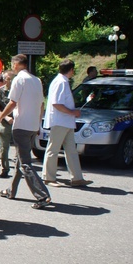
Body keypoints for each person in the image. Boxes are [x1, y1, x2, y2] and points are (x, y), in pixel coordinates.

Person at [0, 54, 52, 209]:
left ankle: (42, 195)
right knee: (20, 161)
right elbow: (41, 105)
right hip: (33, 126)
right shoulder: (36, 80)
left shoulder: (18, 80)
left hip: (21, 125)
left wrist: (0, 116)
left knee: (25, 163)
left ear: (15, 64)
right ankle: (11, 191)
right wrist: (38, 124)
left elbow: (13, 102)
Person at [42, 60, 93, 188]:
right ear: (71, 70)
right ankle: (48, 177)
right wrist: (72, 112)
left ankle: (76, 178)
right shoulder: (61, 82)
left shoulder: (61, 81)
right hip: (61, 121)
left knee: (71, 150)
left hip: (65, 121)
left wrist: (71, 113)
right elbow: (56, 103)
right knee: (53, 149)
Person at [0, 71, 15, 178]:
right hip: (5, 122)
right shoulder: (0, 91)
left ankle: (20, 168)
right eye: (6, 79)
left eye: (10, 79)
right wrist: (5, 117)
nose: (7, 81)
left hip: (19, 122)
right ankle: (5, 168)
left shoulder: (20, 90)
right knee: (4, 147)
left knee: (20, 146)